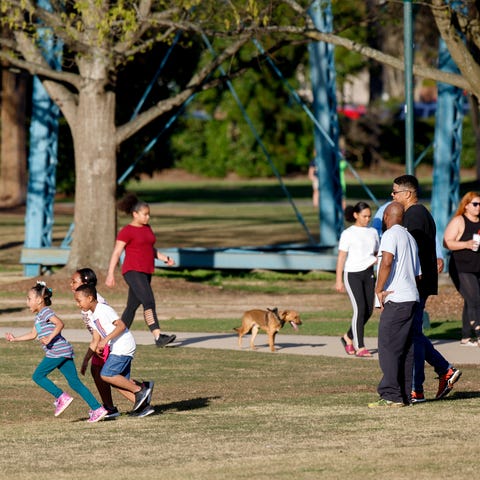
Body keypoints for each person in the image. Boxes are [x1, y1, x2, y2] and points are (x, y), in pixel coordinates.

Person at [392, 175, 461, 402]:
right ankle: (442, 371)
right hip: (418, 283)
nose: (392, 197)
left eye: (395, 193)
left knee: (412, 335)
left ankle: (418, 387)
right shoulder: (418, 214)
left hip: (416, 284)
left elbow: (413, 253)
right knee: (414, 333)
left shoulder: (414, 216)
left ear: (407, 194)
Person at [4, 281, 108, 423]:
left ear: (39, 300)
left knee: (38, 376)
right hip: (63, 351)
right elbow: (33, 334)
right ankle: (97, 409)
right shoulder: (38, 317)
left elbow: (60, 323)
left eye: (29, 298)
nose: (27, 301)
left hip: (57, 352)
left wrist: (50, 338)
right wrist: (15, 339)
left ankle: (61, 397)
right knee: (75, 383)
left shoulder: (45, 312)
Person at [105, 193, 177, 348]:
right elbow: (117, 252)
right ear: (135, 214)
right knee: (148, 301)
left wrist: (164, 258)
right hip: (132, 271)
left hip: (146, 271)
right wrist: (110, 273)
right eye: (144, 214)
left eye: (149, 214)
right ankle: (158, 337)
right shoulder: (127, 231)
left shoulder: (147, 229)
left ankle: (115, 339)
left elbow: (149, 249)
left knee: (131, 307)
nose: (147, 217)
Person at [73, 283, 155, 417]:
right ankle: (144, 408)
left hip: (123, 345)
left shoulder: (103, 309)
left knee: (106, 374)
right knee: (118, 382)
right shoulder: (92, 315)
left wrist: (106, 340)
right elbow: (96, 338)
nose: (78, 304)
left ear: (90, 298)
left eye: (79, 300)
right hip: (117, 347)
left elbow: (122, 325)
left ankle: (141, 390)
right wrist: (89, 357)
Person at [368, 202, 421, 408]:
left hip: (396, 299)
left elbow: (387, 261)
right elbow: (418, 274)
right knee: (406, 348)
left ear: (389, 216)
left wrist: (378, 289)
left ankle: (390, 394)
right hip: (411, 297)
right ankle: (404, 395)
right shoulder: (410, 238)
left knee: (388, 347)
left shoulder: (390, 235)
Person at [71, 268, 120, 419]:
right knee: (98, 372)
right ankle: (109, 407)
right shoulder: (85, 300)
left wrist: (92, 351)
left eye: (74, 281)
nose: (71, 284)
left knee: (109, 374)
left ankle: (141, 390)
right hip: (100, 342)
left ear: (86, 283)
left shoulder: (95, 302)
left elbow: (100, 330)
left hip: (106, 342)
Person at [336, 202, 379, 357]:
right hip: (352, 274)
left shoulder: (373, 232)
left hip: (369, 274)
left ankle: (347, 337)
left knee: (368, 310)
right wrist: (338, 280)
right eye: (364, 216)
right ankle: (360, 346)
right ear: (356, 215)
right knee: (359, 309)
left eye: (369, 216)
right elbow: (341, 257)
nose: (367, 219)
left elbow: (376, 253)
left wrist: (375, 260)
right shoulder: (348, 233)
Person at [443, 191, 480, 346]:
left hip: (477, 267)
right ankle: (478, 333)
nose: (479, 207)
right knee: (475, 299)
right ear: (466, 206)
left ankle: (465, 336)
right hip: (461, 267)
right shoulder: (459, 221)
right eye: (475, 204)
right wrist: (466, 244)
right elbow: (447, 243)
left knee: (470, 299)